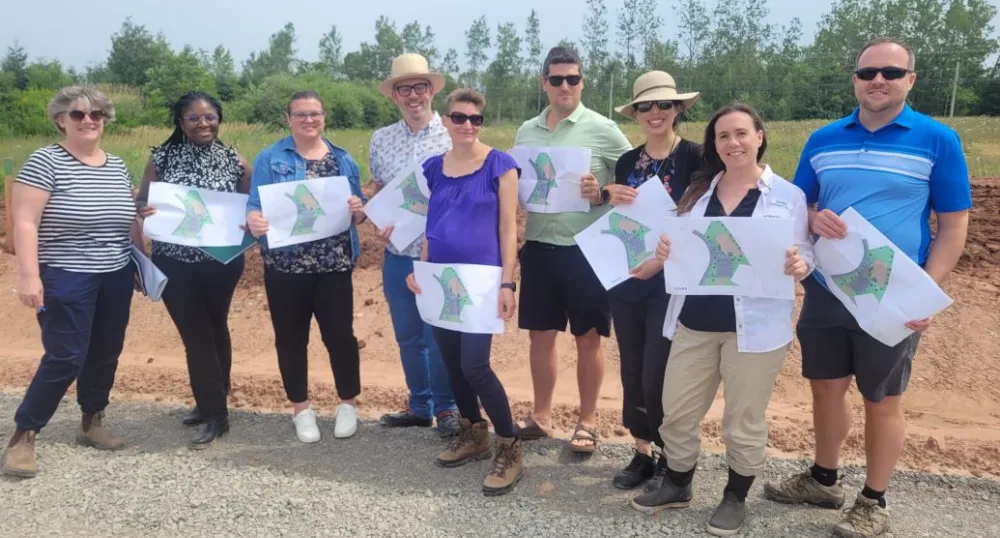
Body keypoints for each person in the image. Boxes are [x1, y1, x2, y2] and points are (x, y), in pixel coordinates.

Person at [763, 37, 972, 538]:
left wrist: (925, 292)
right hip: (827, 288)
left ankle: (874, 500)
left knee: (882, 398)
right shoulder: (823, 139)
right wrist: (814, 216)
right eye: (867, 72)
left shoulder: (938, 140)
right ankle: (824, 479)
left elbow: (954, 227)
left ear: (910, 80)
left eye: (891, 73)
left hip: (892, 295)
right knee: (825, 388)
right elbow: (798, 208)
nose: (878, 80)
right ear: (855, 80)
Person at [630, 102, 814, 537]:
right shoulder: (697, 193)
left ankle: (735, 496)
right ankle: (678, 482)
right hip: (694, 323)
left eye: (741, 133)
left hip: (755, 330)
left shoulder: (787, 196)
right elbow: (675, 245)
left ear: (759, 137)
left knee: (743, 419)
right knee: (677, 411)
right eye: (723, 136)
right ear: (714, 144)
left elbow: (805, 251)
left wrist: (800, 264)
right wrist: (664, 253)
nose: (733, 143)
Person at [3, 85, 143, 477]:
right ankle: (24, 435)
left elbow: (125, 217)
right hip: (66, 274)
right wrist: (29, 277)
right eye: (78, 114)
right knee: (65, 355)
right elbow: (25, 222)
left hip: (115, 273)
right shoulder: (45, 161)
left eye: (96, 114)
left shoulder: (116, 165)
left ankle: (92, 421)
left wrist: (141, 260)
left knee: (106, 350)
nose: (88, 121)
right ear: (60, 120)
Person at [512, 46, 633, 452]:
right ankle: (542, 416)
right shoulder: (525, 132)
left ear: (582, 82)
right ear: (543, 83)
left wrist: (601, 193)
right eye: (557, 79)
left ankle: (588, 421)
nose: (565, 86)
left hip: (587, 252)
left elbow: (632, 181)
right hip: (539, 247)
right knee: (540, 336)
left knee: (588, 337)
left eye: (573, 78)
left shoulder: (604, 129)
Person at [405, 88, 523, 496]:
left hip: (482, 283)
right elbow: (430, 223)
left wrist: (507, 282)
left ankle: (509, 444)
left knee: (475, 365)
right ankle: (474, 434)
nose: (468, 125)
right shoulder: (433, 168)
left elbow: (508, 229)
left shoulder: (500, 165)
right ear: (446, 121)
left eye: (475, 119)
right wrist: (421, 270)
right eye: (459, 118)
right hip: (439, 280)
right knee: (452, 363)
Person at [245, 91, 368, 444]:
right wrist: (254, 220)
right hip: (285, 266)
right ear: (288, 119)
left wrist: (358, 209)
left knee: (340, 337)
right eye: (300, 114)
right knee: (290, 338)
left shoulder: (343, 159)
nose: (309, 120)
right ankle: (301, 408)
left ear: (324, 117)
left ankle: (348, 403)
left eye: (315, 113)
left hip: (334, 265)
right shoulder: (270, 158)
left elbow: (358, 213)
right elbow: (254, 205)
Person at [135, 91, 252, 448]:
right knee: (196, 334)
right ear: (181, 122)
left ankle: (212, 402)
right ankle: (215, 411)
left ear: (219, 119)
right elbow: (141, 201)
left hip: (221, 263)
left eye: (210, 117)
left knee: (216, 328)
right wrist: (144, 211)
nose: (203, 123)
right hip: (174, 262)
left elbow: (250, 208)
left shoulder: (236, 161)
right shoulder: (162, 158)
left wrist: (248, 222)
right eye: (194, 118)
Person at [605, 70, 703, 490]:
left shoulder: (698, 157)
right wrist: (610, 197)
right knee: (631, 365)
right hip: (629, 278)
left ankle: (669, 453)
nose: (655, 111)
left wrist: (660, 263)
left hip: (672, 279)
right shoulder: (627, 162)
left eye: (664, 103)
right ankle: (642, 450)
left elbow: (702, 220)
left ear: (678, 108)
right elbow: (622, 219)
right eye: (646, 105)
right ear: (636, 113)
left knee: (659, 370)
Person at [369, 53, 459, 438]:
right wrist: (379, 221)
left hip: (441, 256)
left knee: (439, 336)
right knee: (408, 335)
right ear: (394, 96)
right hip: (398, 254)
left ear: (431, 91)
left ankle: (448, 407)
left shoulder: (453, 134)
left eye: (419, 87)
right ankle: (420, 406)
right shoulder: (381, 139)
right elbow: (379, 190)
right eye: (403, 89)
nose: (412, 96)